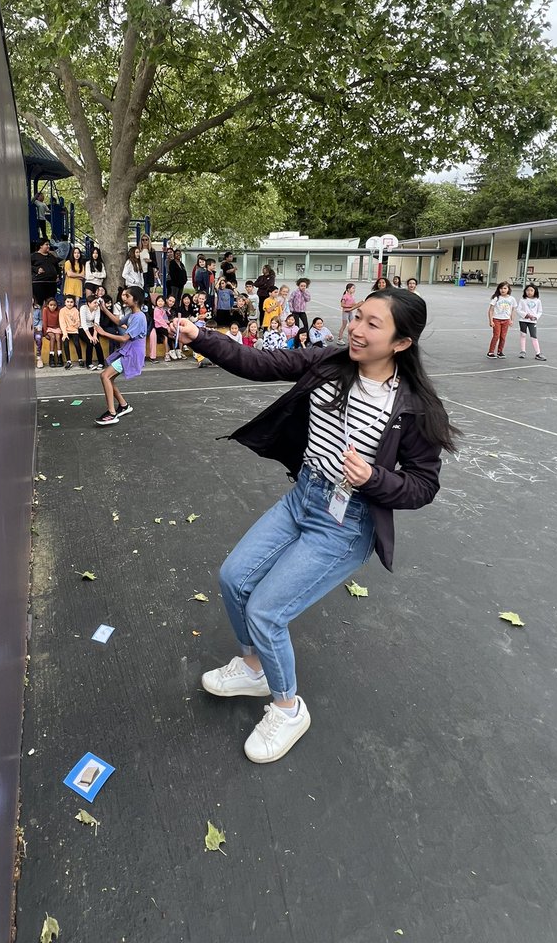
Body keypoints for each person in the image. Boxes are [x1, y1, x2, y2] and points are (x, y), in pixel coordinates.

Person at [174, 288, 457, 763]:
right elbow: (257, 364)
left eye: (372, 324)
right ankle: (253, 666)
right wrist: (199, 336)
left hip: (346, 524)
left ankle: (287, 709)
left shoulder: (415, 409)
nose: (357, 330)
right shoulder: (329, 361)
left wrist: (375, 477)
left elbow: (423, 485)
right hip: (303, 497)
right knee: (233, 578)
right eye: (357, 317)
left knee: (267, 611)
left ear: (402, 343)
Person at [93, 287, 147, 425]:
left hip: (132, 353)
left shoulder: (139, 317)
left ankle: (111, 413)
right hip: (129, 350)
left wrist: (103, 333)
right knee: (108, 378)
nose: (123, 298)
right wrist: (104, 309)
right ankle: (123, 405)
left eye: (127, 296)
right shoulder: (133, 314)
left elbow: (124, 338)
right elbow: (118, 322)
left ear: (136, 300)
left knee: (105, 376)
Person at [487, 281, 517, 358]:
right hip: (496, 319)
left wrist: (511, 320)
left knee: (503, 336)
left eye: (505, 288)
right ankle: (490, 352)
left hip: (506, 320)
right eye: (501, 288)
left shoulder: (512, 299)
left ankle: (500, 351)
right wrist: (491, 320)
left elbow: (513, 310)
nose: (503, 290)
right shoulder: (496, 298)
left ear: (508, 289)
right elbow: (491, 310)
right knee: (496, 335)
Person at [517, 284, 546, 362]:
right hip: (523, 320)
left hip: (532, 321)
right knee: (523, 335)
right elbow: (519, 310)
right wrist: (526, 315)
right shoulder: (522, 300)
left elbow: (540, 311)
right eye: (527, 290)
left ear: (535, 291)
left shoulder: (538, 301)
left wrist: (535, 317)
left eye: (531, 290)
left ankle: (538, 353)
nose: (529, 292)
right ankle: (523, 351)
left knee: (534, 336)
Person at [80, 289, 106, 370]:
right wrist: (90, 337)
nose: (96, 304)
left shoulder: (97, 308)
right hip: (82, 328)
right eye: (94, 303)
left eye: (97, 302)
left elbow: (96, 322)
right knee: (90, 342)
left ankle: (101, 362)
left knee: (96, 341)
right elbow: (83, 324)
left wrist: (94, 335)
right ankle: (89, 363)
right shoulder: (83, 308)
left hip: (92, 327)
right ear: (88, 303)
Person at [31, 239, 61, 306]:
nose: (48, 246)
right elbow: (28, 267)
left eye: (49, 245)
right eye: (46, 244)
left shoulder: (51, 256)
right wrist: (36, 269)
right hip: (39, 283)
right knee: (39, 303)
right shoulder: (33, 256)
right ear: (41, 246)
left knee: (50, 302)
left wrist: (58, 276)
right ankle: (39, 316)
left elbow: (57, 267)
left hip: (51, 283)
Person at [58, 294, 82, 369]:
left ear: (74, 303)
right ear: (64, 302)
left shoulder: (75, 310)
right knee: (65, 344)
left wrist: (75, 324)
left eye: (71, 302)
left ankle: (80, 359)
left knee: (77, 343)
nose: (69, 303)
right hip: (66, 330)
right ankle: (68, 361)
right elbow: (62, 322)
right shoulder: (62, 311)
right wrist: (65, 334)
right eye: (67, 301)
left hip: (74, 330)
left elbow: (78, 322)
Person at [42, 297, 64, 367]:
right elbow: (44, 322)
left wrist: (62, 331)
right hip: (49, 328)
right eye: (51, 305)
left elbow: (60, 321)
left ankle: (59, 356)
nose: (53, 307)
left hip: (56, 327)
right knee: (52, 336)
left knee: (58, 336)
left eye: (54, 305)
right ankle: (51, 357)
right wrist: (45, 333)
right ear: (47, 305)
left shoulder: (59, 310)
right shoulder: (45, 310)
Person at [152, 295, 171, 361]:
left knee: (172, 334)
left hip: (163, 326)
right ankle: (167, 353)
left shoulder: (163, 309)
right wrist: (167, 326)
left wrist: (167, 322)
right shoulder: (156, 310)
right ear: (156, 302)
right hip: (158, 327)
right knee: (165, 336)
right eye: (159, 301)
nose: (160, 302)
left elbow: (164, 319)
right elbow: (159, 320)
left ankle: (173, 350)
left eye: (162, 301)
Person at [31, 301, 44, 369]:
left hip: (36, 329)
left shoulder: (37, 309)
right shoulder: (20, 307)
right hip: (25, 330)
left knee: (38, 338)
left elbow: (41, 319)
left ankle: (39, 358)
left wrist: (39, 326)